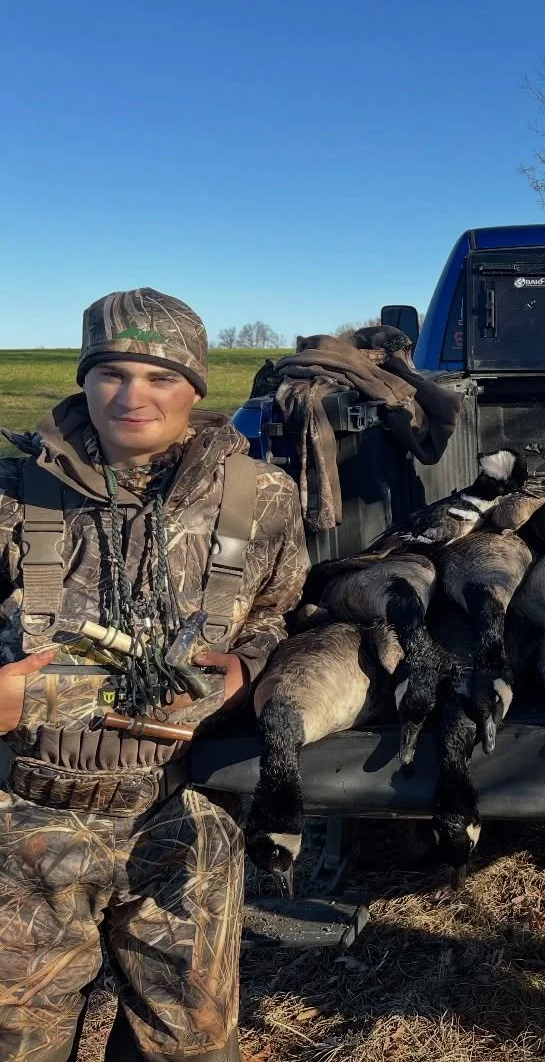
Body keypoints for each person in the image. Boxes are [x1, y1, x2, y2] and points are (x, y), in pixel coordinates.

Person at [0, 289, 307, 1061]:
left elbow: (285, 607)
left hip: (185, 811)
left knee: (189, 1048)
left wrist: (251, 661)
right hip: (23, 815)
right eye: (110, 373)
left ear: (197, 388)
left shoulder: (262, 496)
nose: (131, 396)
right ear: (84, 380)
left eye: (159, 376)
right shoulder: (8, 493)